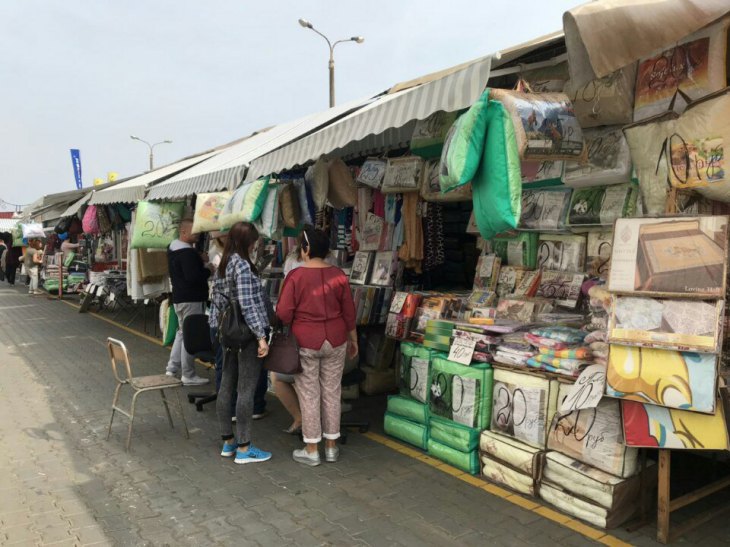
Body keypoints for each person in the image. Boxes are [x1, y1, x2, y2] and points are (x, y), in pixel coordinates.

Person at [276, 227, 358, 466]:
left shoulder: (295, 276)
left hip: (305, 341)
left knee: (309, 394)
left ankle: (312, 449)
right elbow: (349, 312)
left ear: (306, 249)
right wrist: (353, 340)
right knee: (332, 391)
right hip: (336, 339)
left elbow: (283, 313)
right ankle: (331, 447)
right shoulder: (339, 275)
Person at [216, 221, 272, 464]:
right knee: (246, 390)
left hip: (228, 334)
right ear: (249, 242)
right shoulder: (243, 267)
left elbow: (218, 302)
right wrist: (261, 337)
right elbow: (249, 306)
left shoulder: (224, 263)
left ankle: (228, 442)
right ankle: (245, 448)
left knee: (226, 385)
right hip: (246, 335)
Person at [165, 219, 210, 386]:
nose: (198, 233)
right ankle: (188, 374)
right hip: (192, 298)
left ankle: (172, 369)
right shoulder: (188, 254)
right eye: (194, 231)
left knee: (183, 333)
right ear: (183, 232)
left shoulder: (173, 248)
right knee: (190, 335)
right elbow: (193, 277)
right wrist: (207, 269)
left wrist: (198, 259)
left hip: (179, 297)